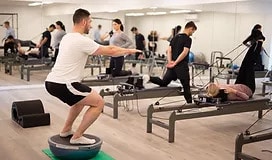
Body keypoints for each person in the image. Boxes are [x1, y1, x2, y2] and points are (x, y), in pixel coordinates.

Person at [45, 8, 140, 145]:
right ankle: (77, 136)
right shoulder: (81, 40)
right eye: (90, 21)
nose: (91, 25)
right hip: (64, 83)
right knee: (99, 102)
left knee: (80, 100)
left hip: (52, 81)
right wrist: (130, 50)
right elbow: (111, 50)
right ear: (84, 22)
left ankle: (66, 130)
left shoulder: (67, 37)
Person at [148, 21, 197, 103]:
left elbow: (169, 51)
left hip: (172, 67)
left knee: (163, 82)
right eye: (193, 31)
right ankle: (189, 104)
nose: (192, 33)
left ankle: (148, 78)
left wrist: (171, 62)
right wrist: (175, 62)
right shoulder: (188, 39)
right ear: (190, 28)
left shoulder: (175, 37)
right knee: (186, 86)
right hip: (181, 66)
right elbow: (184, 52)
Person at [235, 24, 265, 94]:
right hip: (252, 55)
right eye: (260, 29)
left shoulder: (254, 38)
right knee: (251, 67)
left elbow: (245, 42)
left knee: (247, 66)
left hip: (250, 55)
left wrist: (251, 46)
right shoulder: (258, 37)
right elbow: (259, 49)